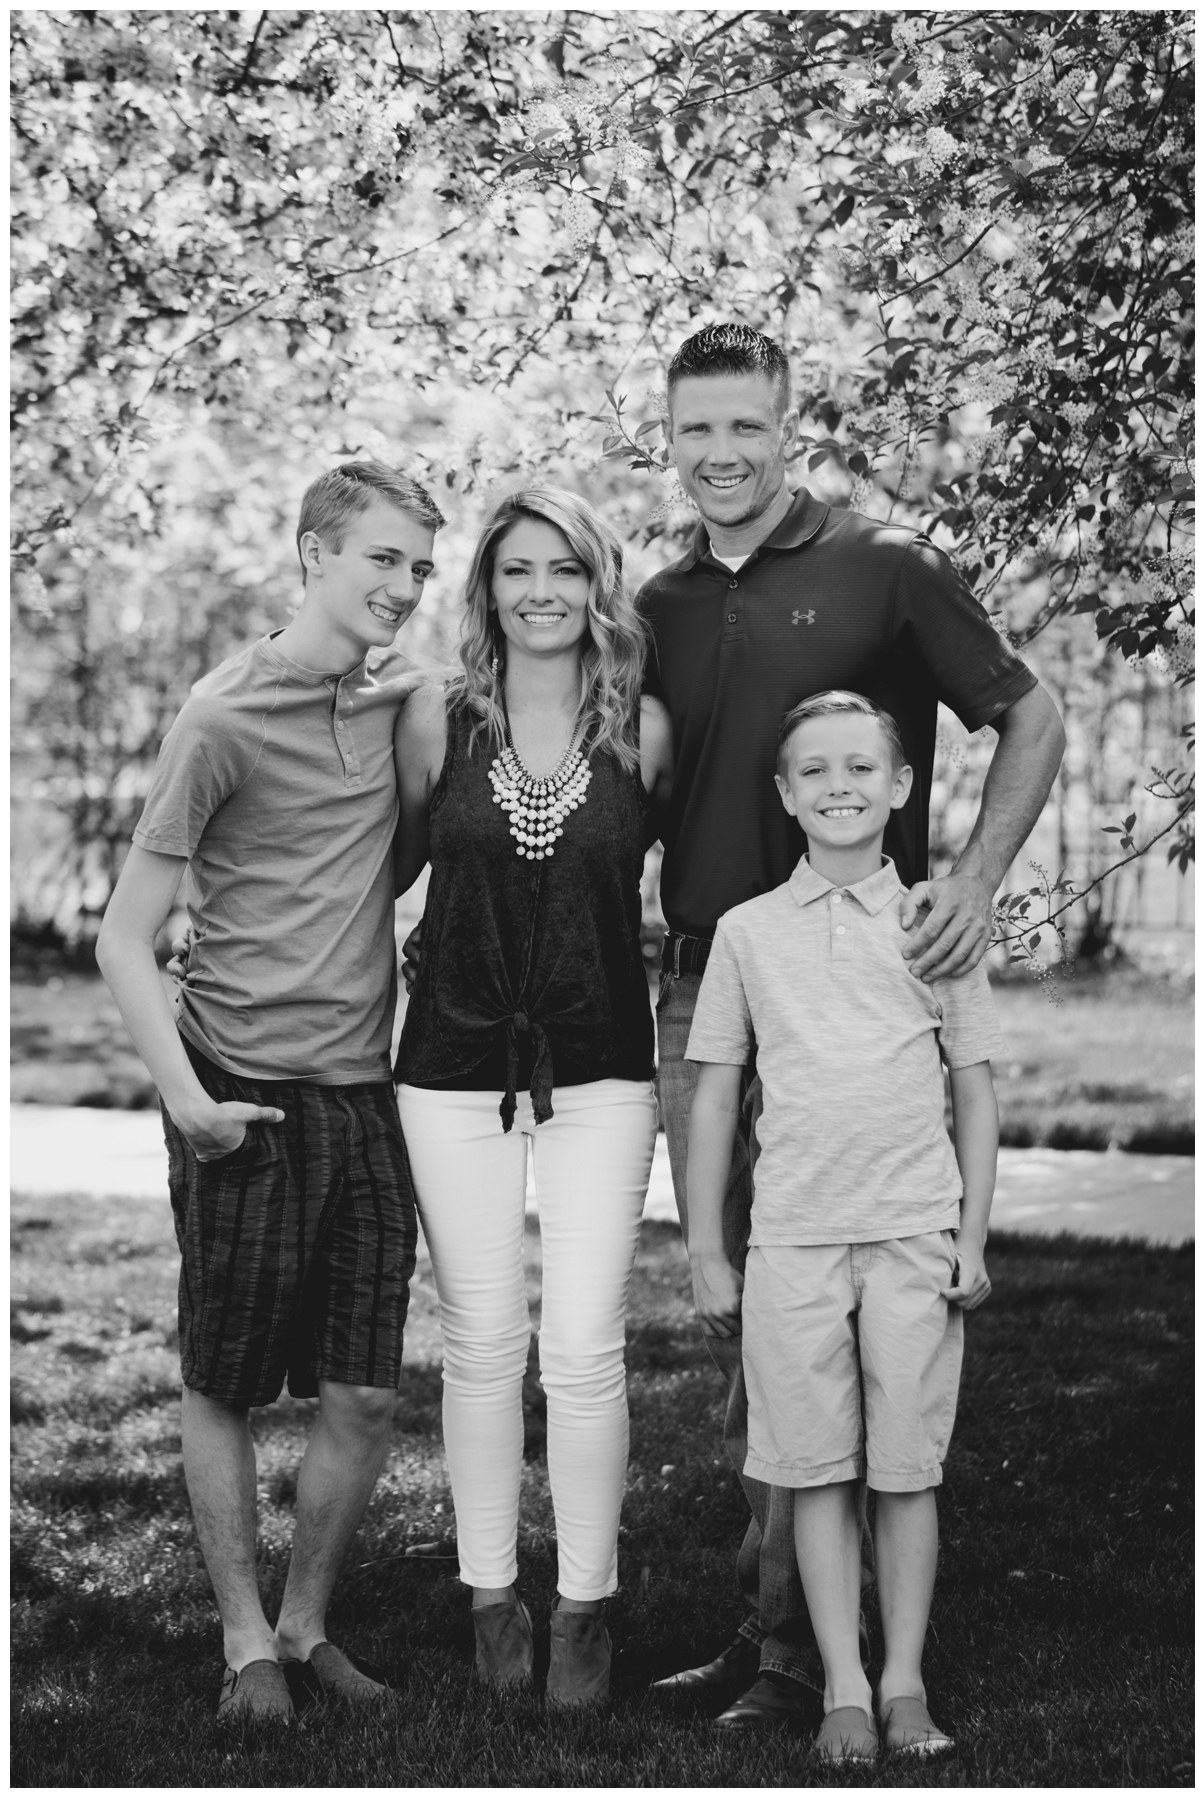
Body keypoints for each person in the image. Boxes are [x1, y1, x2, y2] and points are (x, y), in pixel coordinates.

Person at [638, 321, 1065, 1730]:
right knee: (764, 1317)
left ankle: (829, 1658)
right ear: (671, 433)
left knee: (868, 1287)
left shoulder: (885, 569)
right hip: (714, 974)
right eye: (695, 430)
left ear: (787, 422)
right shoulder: (660, 604)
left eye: (743, 428)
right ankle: (781, 1638)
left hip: (872, 983)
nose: (720, 456)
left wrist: (980, 883)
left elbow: (1034, 713)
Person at [94, 460, 444, 1728]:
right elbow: (125, 938)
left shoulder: (406, 696)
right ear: (312, 552)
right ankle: (244, 1643)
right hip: (237, 1091)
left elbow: (401, 855)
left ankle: (306, 1626)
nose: (404, 588)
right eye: (382, 561)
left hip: (361, 1095)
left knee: (363, 1391)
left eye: (417, 566)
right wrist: (188, 1102)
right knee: (225, 1382)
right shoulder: (220, 716)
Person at [390, 487, 670, 1708]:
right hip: (450, 1066)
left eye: (564, 568)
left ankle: (586, 1610)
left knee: (585, 1348)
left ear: (596, 582)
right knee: (480, 1341)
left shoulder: (643, 730)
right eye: (518, 570)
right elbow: (380, 865)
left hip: (603, 1066)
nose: (542, 590)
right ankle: (493, 1594)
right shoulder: (437, 721)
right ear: (487, 589)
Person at [681, 689, 1000, 1764]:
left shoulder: (937, 926)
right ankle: (844, 1688)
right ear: (784, 793)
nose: (839, 788)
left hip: (913, 1232)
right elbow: (718, 1095)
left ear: (901, 785)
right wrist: (708, 1248)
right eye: (814, 771)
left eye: (861, 768)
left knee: (906, 1468)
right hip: (795, 1243)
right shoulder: (746, 935)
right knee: (813, 1470)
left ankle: (906, 1678)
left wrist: (977, 1235)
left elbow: (976, 1091)